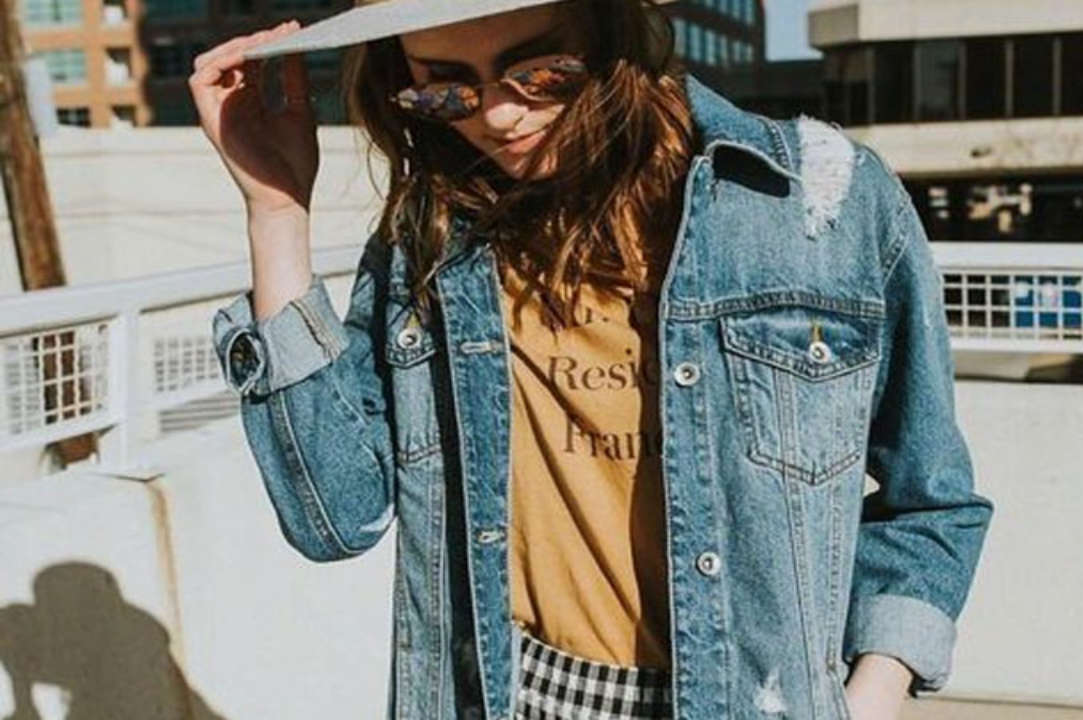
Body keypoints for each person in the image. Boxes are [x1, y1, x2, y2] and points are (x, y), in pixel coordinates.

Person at [190, 1, 994, 719]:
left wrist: (873, 691)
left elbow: (930, 501)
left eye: (540, 71)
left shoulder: (818, 202)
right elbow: (334, 517)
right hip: (520, 694)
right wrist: (277, 213)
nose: (500, 115)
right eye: (445, 88)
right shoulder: (431, 241)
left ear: (611, 31)